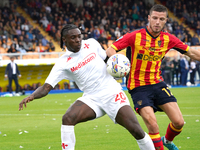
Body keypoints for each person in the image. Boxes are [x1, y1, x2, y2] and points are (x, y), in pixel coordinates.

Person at [19, 24, 154, 150]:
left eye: (79, 36)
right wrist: (31, 96)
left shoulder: (91, 44)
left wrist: (118, 66)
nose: (78, 40)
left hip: (111, 93)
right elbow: (46, 87)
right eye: (73, 37)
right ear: (64, 40)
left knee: (136, 130)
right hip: (92, 98)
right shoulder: (62, 63)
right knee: (68, 118)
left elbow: (106, 59)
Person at [106, 4, 200, 150]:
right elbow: (111, 49)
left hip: (157, 83)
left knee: (179, 122)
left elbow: (192, 53)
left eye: (161, 19)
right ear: (149, 18)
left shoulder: (169, 39)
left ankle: (167, 141)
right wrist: (118, 61)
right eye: (155, 18)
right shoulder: (134, 35)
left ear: (166, 21)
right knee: (153, 125)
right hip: (138, 86)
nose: (157, 22)